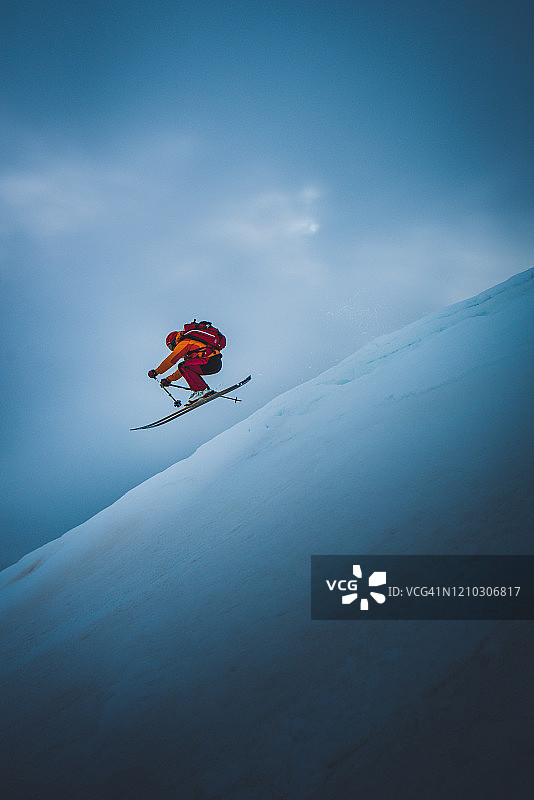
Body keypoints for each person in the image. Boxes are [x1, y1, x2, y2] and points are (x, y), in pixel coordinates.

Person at [148, 321, 226, 403]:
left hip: (209, 361)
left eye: (171, 346)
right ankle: (203, 391)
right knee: (184, 366)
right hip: (214, 363)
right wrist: (169, 379)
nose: (173, 348)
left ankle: (202, 391)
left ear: (174, 340)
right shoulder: (190, 352)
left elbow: (172, 359)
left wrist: (157, 371)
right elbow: (183, 371)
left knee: (183, 366)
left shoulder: (185, 342)